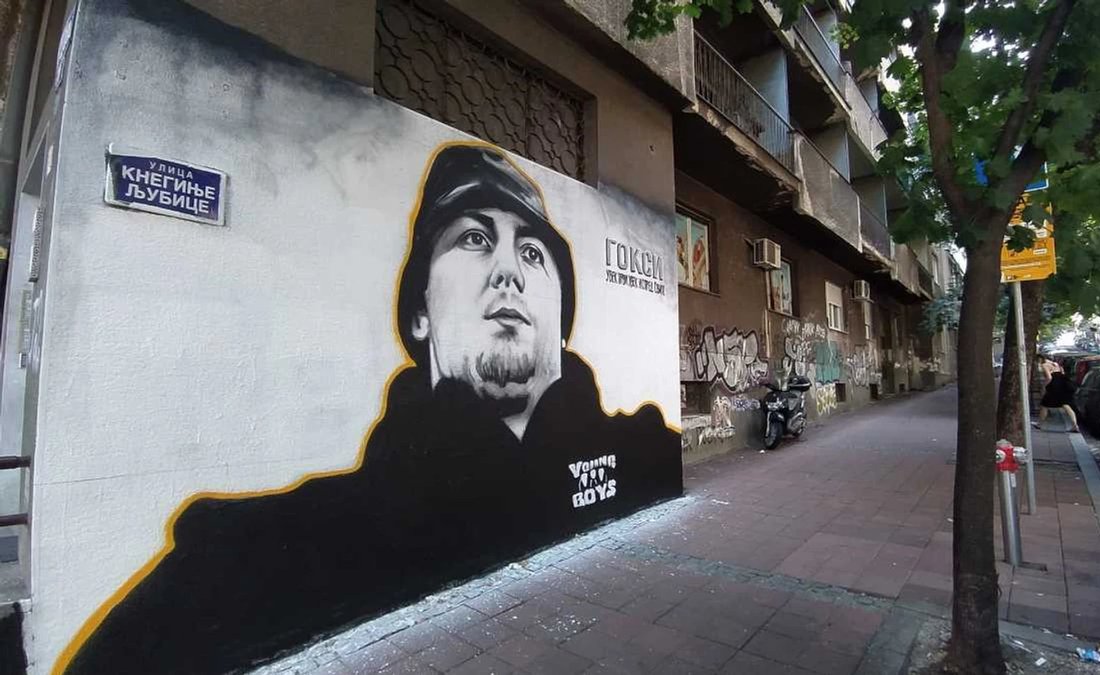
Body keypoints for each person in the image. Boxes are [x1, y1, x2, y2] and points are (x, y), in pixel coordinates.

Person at [61, 144, 682, 674]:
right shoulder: (256, 554)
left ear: (562, 317)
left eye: (532, 253)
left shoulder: (648, 451)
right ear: (419, 312)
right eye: (473, 239)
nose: (507, 273)